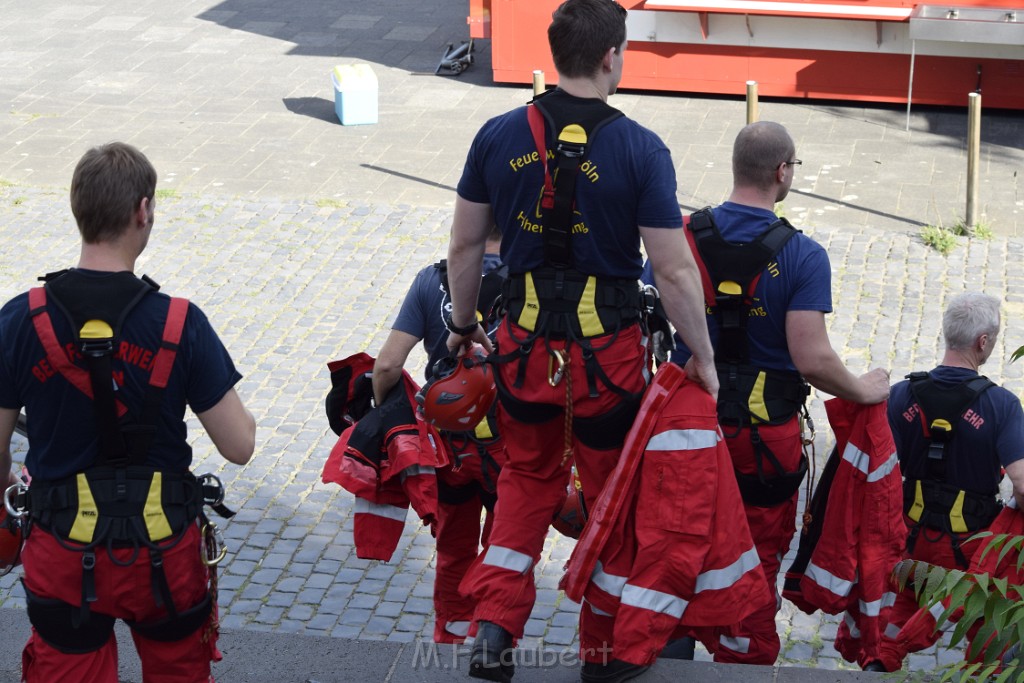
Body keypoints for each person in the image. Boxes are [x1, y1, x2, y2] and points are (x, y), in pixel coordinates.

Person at [443, 1, 717, 680]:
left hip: (522, 355)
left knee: (525, 481)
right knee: (609, 498)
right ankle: (605, 650)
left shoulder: (497, 135)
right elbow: (675, 269)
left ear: (557, 53)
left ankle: (491, 631)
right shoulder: (641, 150)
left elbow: (465, 242)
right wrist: (703, 357)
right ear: (611, 56)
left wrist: (461, 324)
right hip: (608, 369)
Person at [0, 142, 256, 683]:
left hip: (63, 550)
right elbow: (239, 445)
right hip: (164, 553)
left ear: (78, 208)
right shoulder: (181, 322)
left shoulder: (20, 320)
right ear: (143, 211)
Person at [645, 120, 890, 665]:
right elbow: (814, 359)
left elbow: (653, 323)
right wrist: (865, 390)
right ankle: (741, 661)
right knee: (753, 558)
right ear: (782, 172)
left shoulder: (682, 237)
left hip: (685, 429)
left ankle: (670, 656)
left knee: (677, 544)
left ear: (736, 167)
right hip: (762, 443)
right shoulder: (803, 256)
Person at [866, 292, 1024, 672]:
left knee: (900, 615)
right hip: (972, 549)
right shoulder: (1000, 406)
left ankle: (878, 667)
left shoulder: (902, 395)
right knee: (989, 633)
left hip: (914, 540)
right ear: (982, 342)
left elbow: (877, 471)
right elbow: (1022, 485)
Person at [371, 228, 508, 645]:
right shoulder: (533, 282)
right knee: (506, 547)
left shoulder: (433, 280)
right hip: (512, 451)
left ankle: (450, 636)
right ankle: (492, 633)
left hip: (450, 450)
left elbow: (389, 366)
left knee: (453, 547)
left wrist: (384, 417)